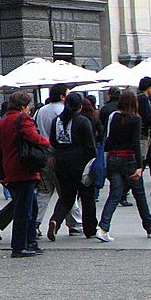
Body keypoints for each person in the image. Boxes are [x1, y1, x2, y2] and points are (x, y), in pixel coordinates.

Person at [97, 89, 151, 242]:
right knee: (139, 195)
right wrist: (139, 165)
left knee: (114, 194)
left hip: (113, 158)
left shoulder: (114, 117)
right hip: (129, 159)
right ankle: (150, 228)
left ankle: (103, 228)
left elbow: (108, 139)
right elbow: (135, 143)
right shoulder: (135, 119)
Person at [0, 91, 50, 258]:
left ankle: (30, 241)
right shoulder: (23, 119)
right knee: (24, 209)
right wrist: (46, 141)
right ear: (24, 106)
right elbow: (33, 137)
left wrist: (0, 173)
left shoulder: (2, 122)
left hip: (10, 168)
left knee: (30, 206)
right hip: (24, 168)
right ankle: (19, 245)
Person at [46, 93, 97, 241]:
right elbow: (90, 145)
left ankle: (55, 220)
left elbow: (53, 141)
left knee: (66, 197)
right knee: (87, 197)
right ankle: (90, 229)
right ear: (80, 106)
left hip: (61, 162)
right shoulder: (82, 121)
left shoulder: (56, 121)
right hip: (80, 163)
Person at [33, 84, 81, 235]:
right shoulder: (63, 111)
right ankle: (75, 223)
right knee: (67, 192)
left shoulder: (40, 111)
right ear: (62, 96)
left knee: (44, 191)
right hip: (59, 156)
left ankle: (34, 222)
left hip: (42, 155)